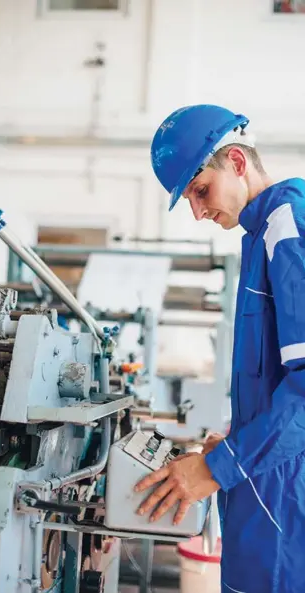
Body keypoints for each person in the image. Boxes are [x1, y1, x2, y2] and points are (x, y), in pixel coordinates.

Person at [134, 104, 305, 593]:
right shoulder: (259, 235)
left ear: (235, 160)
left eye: (200, 191)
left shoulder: (286, 227)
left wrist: (216, 467)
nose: (198, 211)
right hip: (267, 495)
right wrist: (232, 442)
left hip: (287, 514)